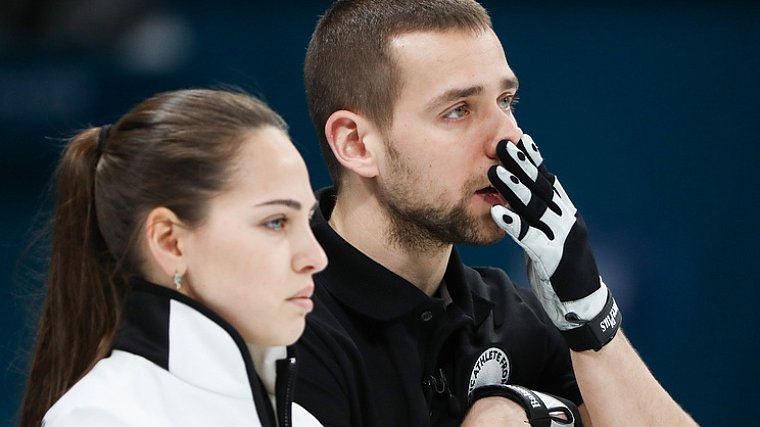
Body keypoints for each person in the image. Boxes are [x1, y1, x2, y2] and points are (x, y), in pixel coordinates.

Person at [293, 1, 698, 426]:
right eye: (458, 110)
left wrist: (589, 314)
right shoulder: (284, 322)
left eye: (506, 101)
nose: (509, 137)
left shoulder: (510, 316)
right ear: (356, 144)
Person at [19, 88, 328, 426]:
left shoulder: (304, 422)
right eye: (276, 222)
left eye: (308, 220)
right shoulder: (100, 417)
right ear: (170, 243)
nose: (315, 257)